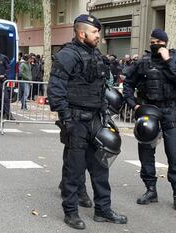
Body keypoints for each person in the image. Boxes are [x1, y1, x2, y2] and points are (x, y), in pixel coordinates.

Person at [48, 14, 127, 230]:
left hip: (95, 119)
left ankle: (103, 209)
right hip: (75, 119)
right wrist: (66, 118)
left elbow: (101, 88)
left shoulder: (96, 55)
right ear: (82, 33)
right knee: (75, 168)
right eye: (95, 33)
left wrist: (104, 113)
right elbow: (55, 90)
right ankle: (71, 212)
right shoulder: (67, 55)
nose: (98, 36)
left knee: (101, 167)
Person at [123, 28, 176, 212]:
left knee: (174, 154)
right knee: (146, 151)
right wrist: (134, 105)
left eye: (158, 42)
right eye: (152, 42)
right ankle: (150, 189)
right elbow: (128, 83)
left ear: (165, 43)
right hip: (149, 110)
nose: (154, 45)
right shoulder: (144, 62)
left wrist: (168, 59)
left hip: (171, 110)